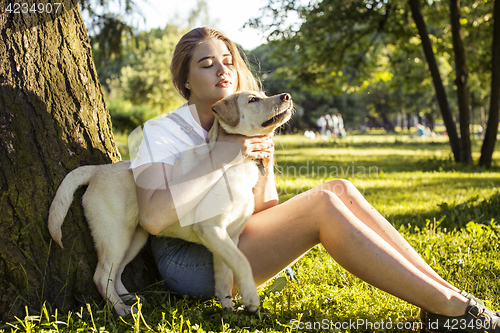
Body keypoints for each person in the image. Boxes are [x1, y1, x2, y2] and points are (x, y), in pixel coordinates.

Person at [130, 27, 499, 332]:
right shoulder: (163, 132)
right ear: (186, 80)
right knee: (322, 206)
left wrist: (264, 162)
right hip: (190, 262)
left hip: (237, 238)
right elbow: (153, 217)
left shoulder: (246, 123)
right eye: (207, 64)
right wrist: (222, 157)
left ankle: (444, 297)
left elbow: (262, 211)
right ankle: (454, 310)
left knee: (340, 189)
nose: (222, 70)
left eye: (228, 62)